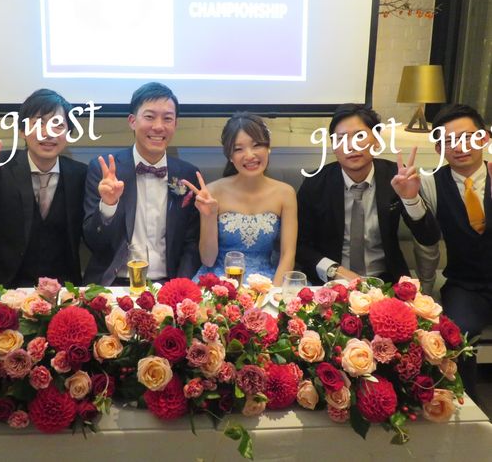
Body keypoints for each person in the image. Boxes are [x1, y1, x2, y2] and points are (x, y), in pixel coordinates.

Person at [0, 89, 87, 302]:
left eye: (58, 124)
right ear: (22, 130)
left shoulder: (80, 174)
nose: (48, 133)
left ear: (68, 133)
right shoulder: (0, 165)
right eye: (38, 123)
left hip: (60, 291)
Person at [297, 103, 440, 285]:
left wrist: (411, 199)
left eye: (360, 136)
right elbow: (300, 245)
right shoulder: (315, 183)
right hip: (331, 281)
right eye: (341, 139)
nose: (351, 146)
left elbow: (429, 237)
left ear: (377, 141)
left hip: (386, 280)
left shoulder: (396, 177)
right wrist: (334, 271)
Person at [83, 82, 200, 285]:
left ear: (175, 124)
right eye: (149, 117)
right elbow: (93, 242)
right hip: (115, 283)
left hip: (168, 284)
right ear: (132, 121)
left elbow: (191, 243)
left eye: (167, 118)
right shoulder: (104, 170)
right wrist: (108, 206)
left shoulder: (188, 175)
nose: (158, 126)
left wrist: (181, 287)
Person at [420, 103, 492, 401]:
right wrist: (423, 294)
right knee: (457, 332)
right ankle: (468, 405)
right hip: (466, 285)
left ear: (485, 138)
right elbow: (426, 242)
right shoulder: (431, 184)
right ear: (439, 148)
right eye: (448, 141)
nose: (459, 147)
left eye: (467, 137)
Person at [186, 112, 297, 286]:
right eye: (239, 149)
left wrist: (273, 294)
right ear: (230, 156)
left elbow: (287, 255)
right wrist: (209, 215)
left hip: (267, 282)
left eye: (256, 145)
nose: (249, 155)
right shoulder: (213, 191)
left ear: (268, 147)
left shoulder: (285, 193)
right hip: (220, 283)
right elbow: (208, 259)